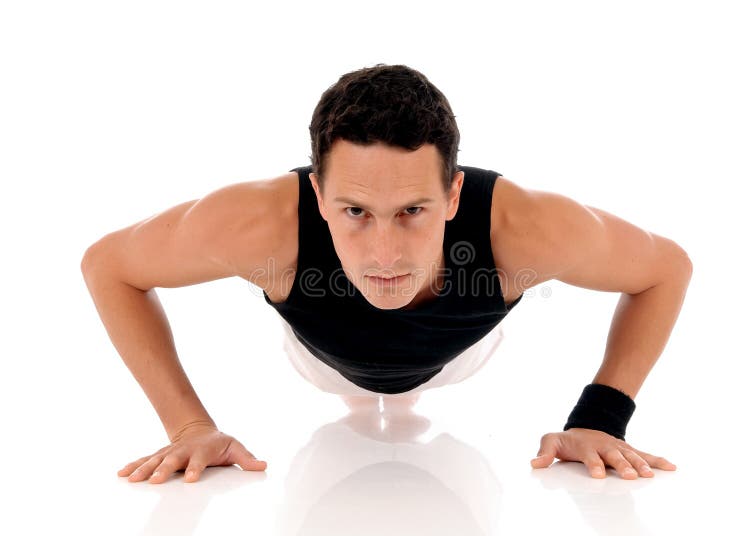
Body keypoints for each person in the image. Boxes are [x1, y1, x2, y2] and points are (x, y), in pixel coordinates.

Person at [81, 63, 692, 485]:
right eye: (354, 212)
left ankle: (404, 397)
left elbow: (665, 269)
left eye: (412, 211)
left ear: (454, 195)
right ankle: (365, 398)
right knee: (349, 395)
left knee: (413, 399)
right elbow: (109, 265)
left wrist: (599, 420)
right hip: (318, 357)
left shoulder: (527, 229)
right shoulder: (256, 224)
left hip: (461, 357)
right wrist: (189, 426)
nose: (384, 255)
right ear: (317, 194)